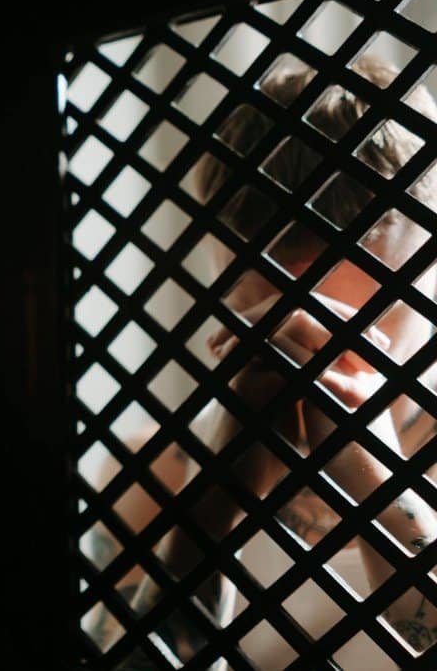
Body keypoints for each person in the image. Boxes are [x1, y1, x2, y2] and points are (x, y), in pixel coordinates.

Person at [84, 54, 437, 668]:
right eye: (271, 316)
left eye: (370, 327)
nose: (313, 350)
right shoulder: (149, 475)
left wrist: (377, 479)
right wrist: (215, 504)